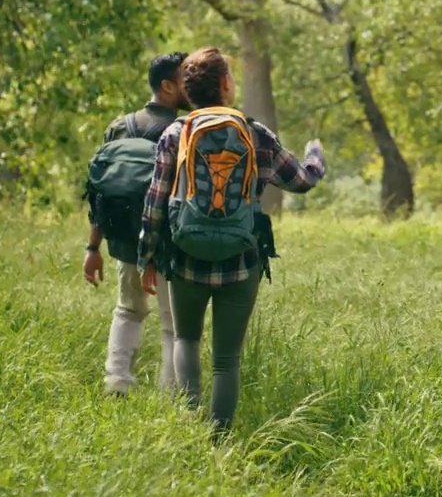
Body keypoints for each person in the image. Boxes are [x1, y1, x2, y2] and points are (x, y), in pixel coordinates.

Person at [138, 46, 326, 438]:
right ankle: (218, 441)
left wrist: (147, 258)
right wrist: (315, 155)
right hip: (241, 262)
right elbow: (302, 181)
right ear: (225, 84)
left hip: (185, 257)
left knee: (186, 341)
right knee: (227, 360)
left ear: (188, 93)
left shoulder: (176, 133)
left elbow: (154, 201)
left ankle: (189, 433)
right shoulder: (255, 133)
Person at [84, 51, 191, 395]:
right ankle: (171, 396)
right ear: (167, 86)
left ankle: (116, 383)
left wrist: (93, 247)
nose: (193, 86)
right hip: (166, 240)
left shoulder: (119, 126)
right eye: (186, 79)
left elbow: (99, 193)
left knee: (128, 309)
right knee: (172, 324)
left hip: (124, 239)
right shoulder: (183, 131)